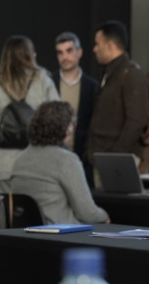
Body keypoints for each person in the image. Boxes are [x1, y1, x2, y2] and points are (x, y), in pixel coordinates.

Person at [0, 35, 59, 227]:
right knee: (36, 221)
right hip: (36, 164)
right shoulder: (42, 79)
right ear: (30, 55)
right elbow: (57, 118)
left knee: (1, 222)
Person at [11, 101, 109, 225]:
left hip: (27, 235)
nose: (73, 128)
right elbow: (87, 213)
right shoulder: (66, 160)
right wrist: (105, 216)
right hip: (62, 234)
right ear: (65, 129)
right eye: (71, 124)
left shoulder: (20, 159)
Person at [86, 20, 149, 187]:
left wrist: (115, 156)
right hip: (102, 157)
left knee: (119, 210)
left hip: (118, 162)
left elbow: (137, 120)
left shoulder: (131, 74)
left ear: (110, 45)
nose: (94, 49)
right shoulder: (108, 73)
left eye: (97, 44)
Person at [54, 31, 98, 186]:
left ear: (79, 52)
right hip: (54, 157)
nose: (64, 57)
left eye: (69, 50)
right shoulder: (49, 83)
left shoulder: (93, 87)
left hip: (82, 159)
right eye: (60, 52)